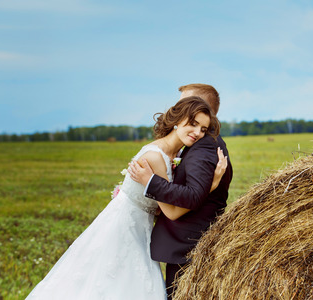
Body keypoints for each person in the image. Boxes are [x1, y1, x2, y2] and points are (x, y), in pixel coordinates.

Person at [25, 96, 227, 300]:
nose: (198, 133)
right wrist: (211, 186)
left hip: (139, 225)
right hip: (127, 227)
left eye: (203, 129)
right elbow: (172, 212)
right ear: (178, 120)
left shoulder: (174, 152)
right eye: (193, 124)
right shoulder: (156, 157)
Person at [128, 83, 233, 299]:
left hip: (187, 243)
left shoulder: (205, 147)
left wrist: (150, 182)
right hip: (174, 239)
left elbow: (193, 195)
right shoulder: (194, 142)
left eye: (184, 103)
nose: (177, 107)